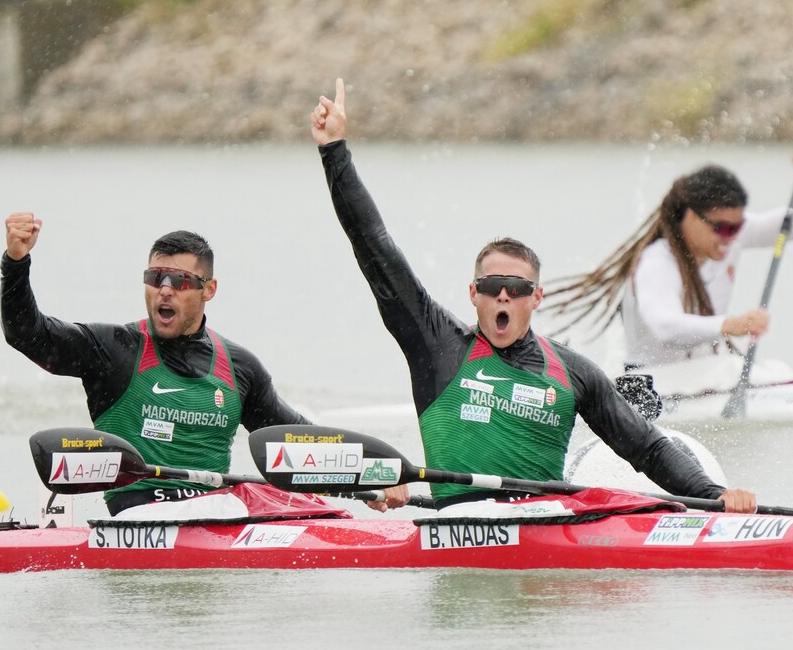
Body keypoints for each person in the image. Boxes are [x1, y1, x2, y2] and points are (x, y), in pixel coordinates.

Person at [310, 78, 756, 514]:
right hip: (458, 534)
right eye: (491, 287)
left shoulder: (575, 374)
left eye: (518, 288)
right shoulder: (436, 345)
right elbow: (375, 244)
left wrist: (714, 494)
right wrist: (335, 152)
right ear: (473, 294)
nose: (504, 296)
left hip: (546, 533)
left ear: (536, 297)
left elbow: (648, 448)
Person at [1, 215, 408, 517]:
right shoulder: (114, 349)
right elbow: (27, 334)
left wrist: (374, 477)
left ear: (208, 290)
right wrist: (16, 263)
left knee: (316, 510)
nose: (164, 289)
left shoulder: (239, 367)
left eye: (178, 280)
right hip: (141, 510)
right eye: (155, 276)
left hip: (216, 508)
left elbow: (298, 442)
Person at [543, 136, 793, 369]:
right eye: (722, 228)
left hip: (703, 377)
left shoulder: (731, 234)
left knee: (775, 369)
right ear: (691, 217)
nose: (730, 237)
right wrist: (732, 325)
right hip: (651, 390)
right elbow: (666, 327)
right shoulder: (657, 263)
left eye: (737, 226)